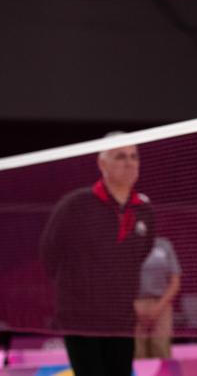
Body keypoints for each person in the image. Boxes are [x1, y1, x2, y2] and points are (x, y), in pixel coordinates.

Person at [40, 137, 155, 376]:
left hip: (121, 319)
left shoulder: (144, 210)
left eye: (134, 156)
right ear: (102, 164)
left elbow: (139, 255)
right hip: (81, 320)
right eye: (120, 156)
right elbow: (49, 254)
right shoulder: (75, 204)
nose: (129, 163)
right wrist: (80, 289)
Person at [135, 236, 181, 358]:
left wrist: (158, 307)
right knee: (137, 351)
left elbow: (175, 282)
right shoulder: (126, 245)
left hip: (162, 304)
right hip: (133, 307)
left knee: (161, 349)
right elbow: (119, 280)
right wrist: (135, 307)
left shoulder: (165, 245)